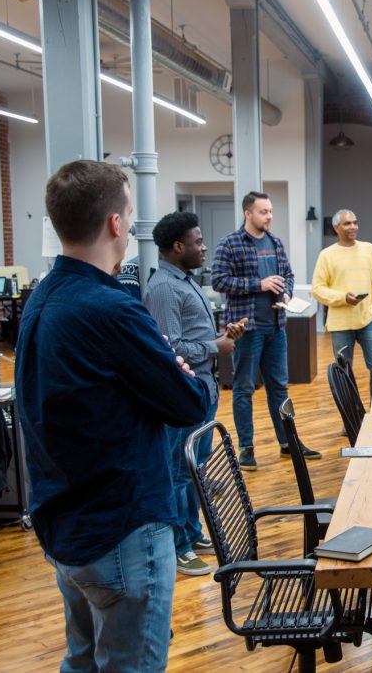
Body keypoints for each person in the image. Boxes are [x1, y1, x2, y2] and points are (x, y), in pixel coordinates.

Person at [16, 160, 211, 671]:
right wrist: (181, 373)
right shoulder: (112, 309)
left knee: (82, 660)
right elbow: (188, 404)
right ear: (116, 225)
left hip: (66, 524)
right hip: (122, 529)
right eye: (128, 212)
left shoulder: (42, 298)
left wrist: (162, 372)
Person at [143, 212, 246, 576]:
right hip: (185, 389)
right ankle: (178, 545)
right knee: (179, 473)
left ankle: (191, 530)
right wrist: (215, 347)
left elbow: (192, 335)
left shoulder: (184, 280)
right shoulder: (165, 288)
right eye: (199, 242)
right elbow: (171, 350)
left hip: (203, 387)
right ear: (177, 246)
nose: (205, 248)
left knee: (195, 469)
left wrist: (223, 335)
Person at [212, 191, 317, 468]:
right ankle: (246, 449)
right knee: (244, 389)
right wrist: (258, 284)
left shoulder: (276, 242)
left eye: (270, 211)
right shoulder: (230, 244)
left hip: (276, 327)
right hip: (247, 329)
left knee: (279, 388)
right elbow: (219, 281)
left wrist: (286, 294)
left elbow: (289, 276)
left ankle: (288, 443)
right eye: (263, 212)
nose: (269, 216)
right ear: (248, 213)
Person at [311, 209, 372, 395]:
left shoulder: (369, 249)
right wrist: (343, 297)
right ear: (336, 227)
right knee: (344, 373)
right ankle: (350, 422)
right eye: (347, 223)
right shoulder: (327, 255)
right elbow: (317, 289)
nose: (353, 226)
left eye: (355, 222)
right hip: (340, 326)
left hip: (367, 321)